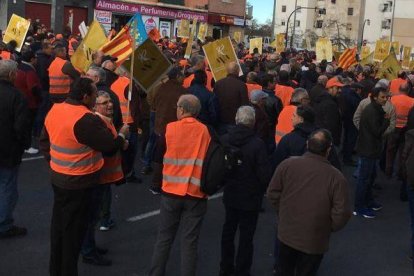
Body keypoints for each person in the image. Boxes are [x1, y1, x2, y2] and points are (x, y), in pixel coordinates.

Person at [40, 78, 129, 276]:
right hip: (79, 183)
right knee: (73, 235)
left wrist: (55, 162)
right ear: (85, 96)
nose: (97, 97)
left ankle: (57, 269)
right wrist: (122, 136)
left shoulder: (55, 109)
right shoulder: (86, 119)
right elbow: (109, 146)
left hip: (59, 178)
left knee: (60, 230)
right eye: (95, 94)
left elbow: (44, 142)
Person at [267, 129, 351, 276]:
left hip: (286, 234)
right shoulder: (336, 178)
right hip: (314, 240)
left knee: (283, 270)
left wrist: (283, 213)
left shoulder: (287, 165)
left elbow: (273, 193)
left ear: (307, 144)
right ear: (329, 149)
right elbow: (342, 213)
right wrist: (326, 227)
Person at [149, 95, 211, 276]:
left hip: (170, 191)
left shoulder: (170, 129)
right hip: (196, 192)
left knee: (164, 239)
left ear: (182, 110)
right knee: (190, 242)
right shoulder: (205, 131)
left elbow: (157, 157)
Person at [219, 106, 272, 276]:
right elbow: (264, 174)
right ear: (253, 122)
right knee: (246, 236)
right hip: (250, 195)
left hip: (231, 192)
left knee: (228, 230)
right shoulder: (257, 144)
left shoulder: (225, 139)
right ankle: (242, 269)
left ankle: (225, 267)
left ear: (236, 119)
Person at [80, 91, 127, 266]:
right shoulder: (98, 122)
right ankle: (88, 252)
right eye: (104, 102)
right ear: (94, 106)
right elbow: (108, 147)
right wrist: (122, 136)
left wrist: (121, 141)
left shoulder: (105, 121)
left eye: (110, 102)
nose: (110, 105)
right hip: (97, 177)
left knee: (93, 216)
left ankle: (90, 247)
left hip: (103, 177)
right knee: (90, 217)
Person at [0, 60, 31, 239]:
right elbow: (21, 127)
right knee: (7, 186)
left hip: (7, 148)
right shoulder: (16, 96)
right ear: (12, 75)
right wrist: (24, 144)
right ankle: (4, 224)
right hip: (8, 149)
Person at [354, 87, 390, 219]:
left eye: (386, 97)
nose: (385, 99)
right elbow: (377, 131)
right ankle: (359, 207)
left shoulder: (375, 109)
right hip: (368, 149)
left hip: (371, 148)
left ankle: (368, 201)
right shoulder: (372, 111)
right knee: (364, 179)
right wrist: (386, 121)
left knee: (369, 177)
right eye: (383, 97)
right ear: (375, 97)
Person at [150, 67, 188, 193]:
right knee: (172, 159)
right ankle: (169, 183)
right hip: (174, 129)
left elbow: (153, 105)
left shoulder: (161, 88)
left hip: (159, 128)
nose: (184, 78)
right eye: (182, 75)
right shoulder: (182, 92)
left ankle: (155, 183)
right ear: (177, 77)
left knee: (158, 157)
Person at [14, 49, 42, 154]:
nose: (37, 61)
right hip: (29, 102)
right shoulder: (29, 71)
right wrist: (39, 98)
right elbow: (33, 87)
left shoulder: (18, 67)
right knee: (28, 125)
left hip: (20, 101)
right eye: (35, 58)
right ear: (32, 59)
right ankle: (27, 146)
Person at [386, 83, 414, 178]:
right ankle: (400, 172)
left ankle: (388, 170)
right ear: (408, 90)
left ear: (399, 89)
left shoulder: (392, 99)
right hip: (405, 129)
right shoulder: (412, 101)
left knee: (390, 150)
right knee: (403, 152)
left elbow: (387, 112)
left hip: (393, 127)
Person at [214, 61, 249, 134]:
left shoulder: (218, 83)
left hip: (220, 120)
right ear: (238, 71)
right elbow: (245, 104)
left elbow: (214, 102)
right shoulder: (241, 85)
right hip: (235, 121)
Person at [313, 77, 343, 147]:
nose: (340, 90)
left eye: (340, 88)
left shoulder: (324, 99)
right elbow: (331, 126)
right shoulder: (330, 104)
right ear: (330, 88)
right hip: (328, 141)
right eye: (337, 88)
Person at [340, 82, 363, 165]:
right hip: (352, 121)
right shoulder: (355, 98)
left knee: (346, 138)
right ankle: (347, 158)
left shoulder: (346, 94)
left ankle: (345, 152)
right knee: (351, 140)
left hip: (347, 120)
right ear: (358, 90)